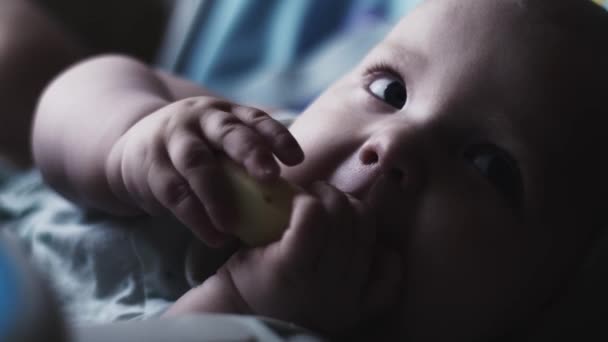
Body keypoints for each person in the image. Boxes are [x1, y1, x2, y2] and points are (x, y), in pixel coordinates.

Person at [3, 0, 608, 340]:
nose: (394, 144)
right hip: (27, 208)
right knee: (18, 51)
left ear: (543, 306)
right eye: (389, 88)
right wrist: (127, 137)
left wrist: (241, 306)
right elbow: (75, 98)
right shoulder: (254, 141)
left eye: (488, 164)